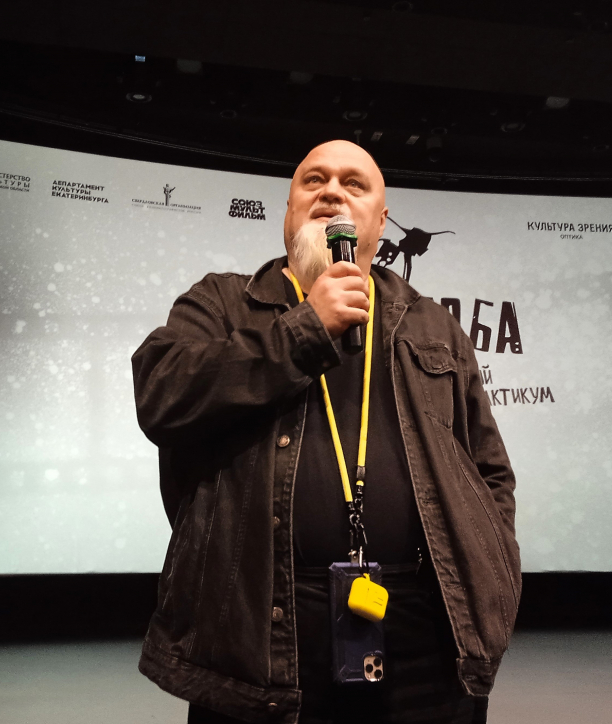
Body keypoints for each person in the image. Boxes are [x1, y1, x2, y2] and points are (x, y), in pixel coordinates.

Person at [132, 140, 520, 723]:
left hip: (427, 633)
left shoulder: (430, 321)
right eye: (313, 181)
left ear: (380, 221)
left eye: (353, 183)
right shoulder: (223, 302)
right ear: (289, 212)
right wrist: (307, 327)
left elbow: (487, 469)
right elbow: (161, 395)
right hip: (260, 634)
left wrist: (494, 568)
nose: (332, 191)